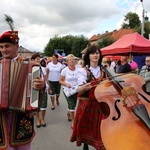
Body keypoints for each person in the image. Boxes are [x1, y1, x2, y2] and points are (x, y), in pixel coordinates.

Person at [0, 30, 45, 149]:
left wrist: (42, 86)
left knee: (23, 146)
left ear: (16, 46)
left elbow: (41, 86)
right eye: (1, 47)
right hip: (2, 118)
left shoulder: (30, 66)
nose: (4, 50)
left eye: (7, 46)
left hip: (21, 117)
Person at [70, 45, 106, 150]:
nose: (95, 55)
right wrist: (83, 86)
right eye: (93, 53)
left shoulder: (105, 69)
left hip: (100, 104)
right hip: (87, 104)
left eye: (97, 53)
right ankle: (85, 144)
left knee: (100, 128)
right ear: (88, 56)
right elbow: (81, 85)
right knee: (85, 126)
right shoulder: (83, 71)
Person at [30, 54, 50, 128]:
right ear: (32, 60)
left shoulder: (43, 68)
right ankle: (38, 119)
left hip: (43, 88)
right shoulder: (30, 68)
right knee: (35, 105)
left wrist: (49, 87)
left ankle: (42, 119)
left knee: (43, 105)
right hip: (34, 89)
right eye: (36, 59)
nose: (38, 60)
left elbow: (46, 78)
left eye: (39, 59)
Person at [59, 54, 78, 128]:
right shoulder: (64, 70)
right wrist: (66, 84)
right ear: (67, 61)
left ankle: (68, 113)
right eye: (70, 60)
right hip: (67, 90)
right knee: (71, 105)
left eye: (73, 60)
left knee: (74, 104)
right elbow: (60, 80)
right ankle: (73, 121)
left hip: (76, 90)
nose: (72, 61)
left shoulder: (78, 69)